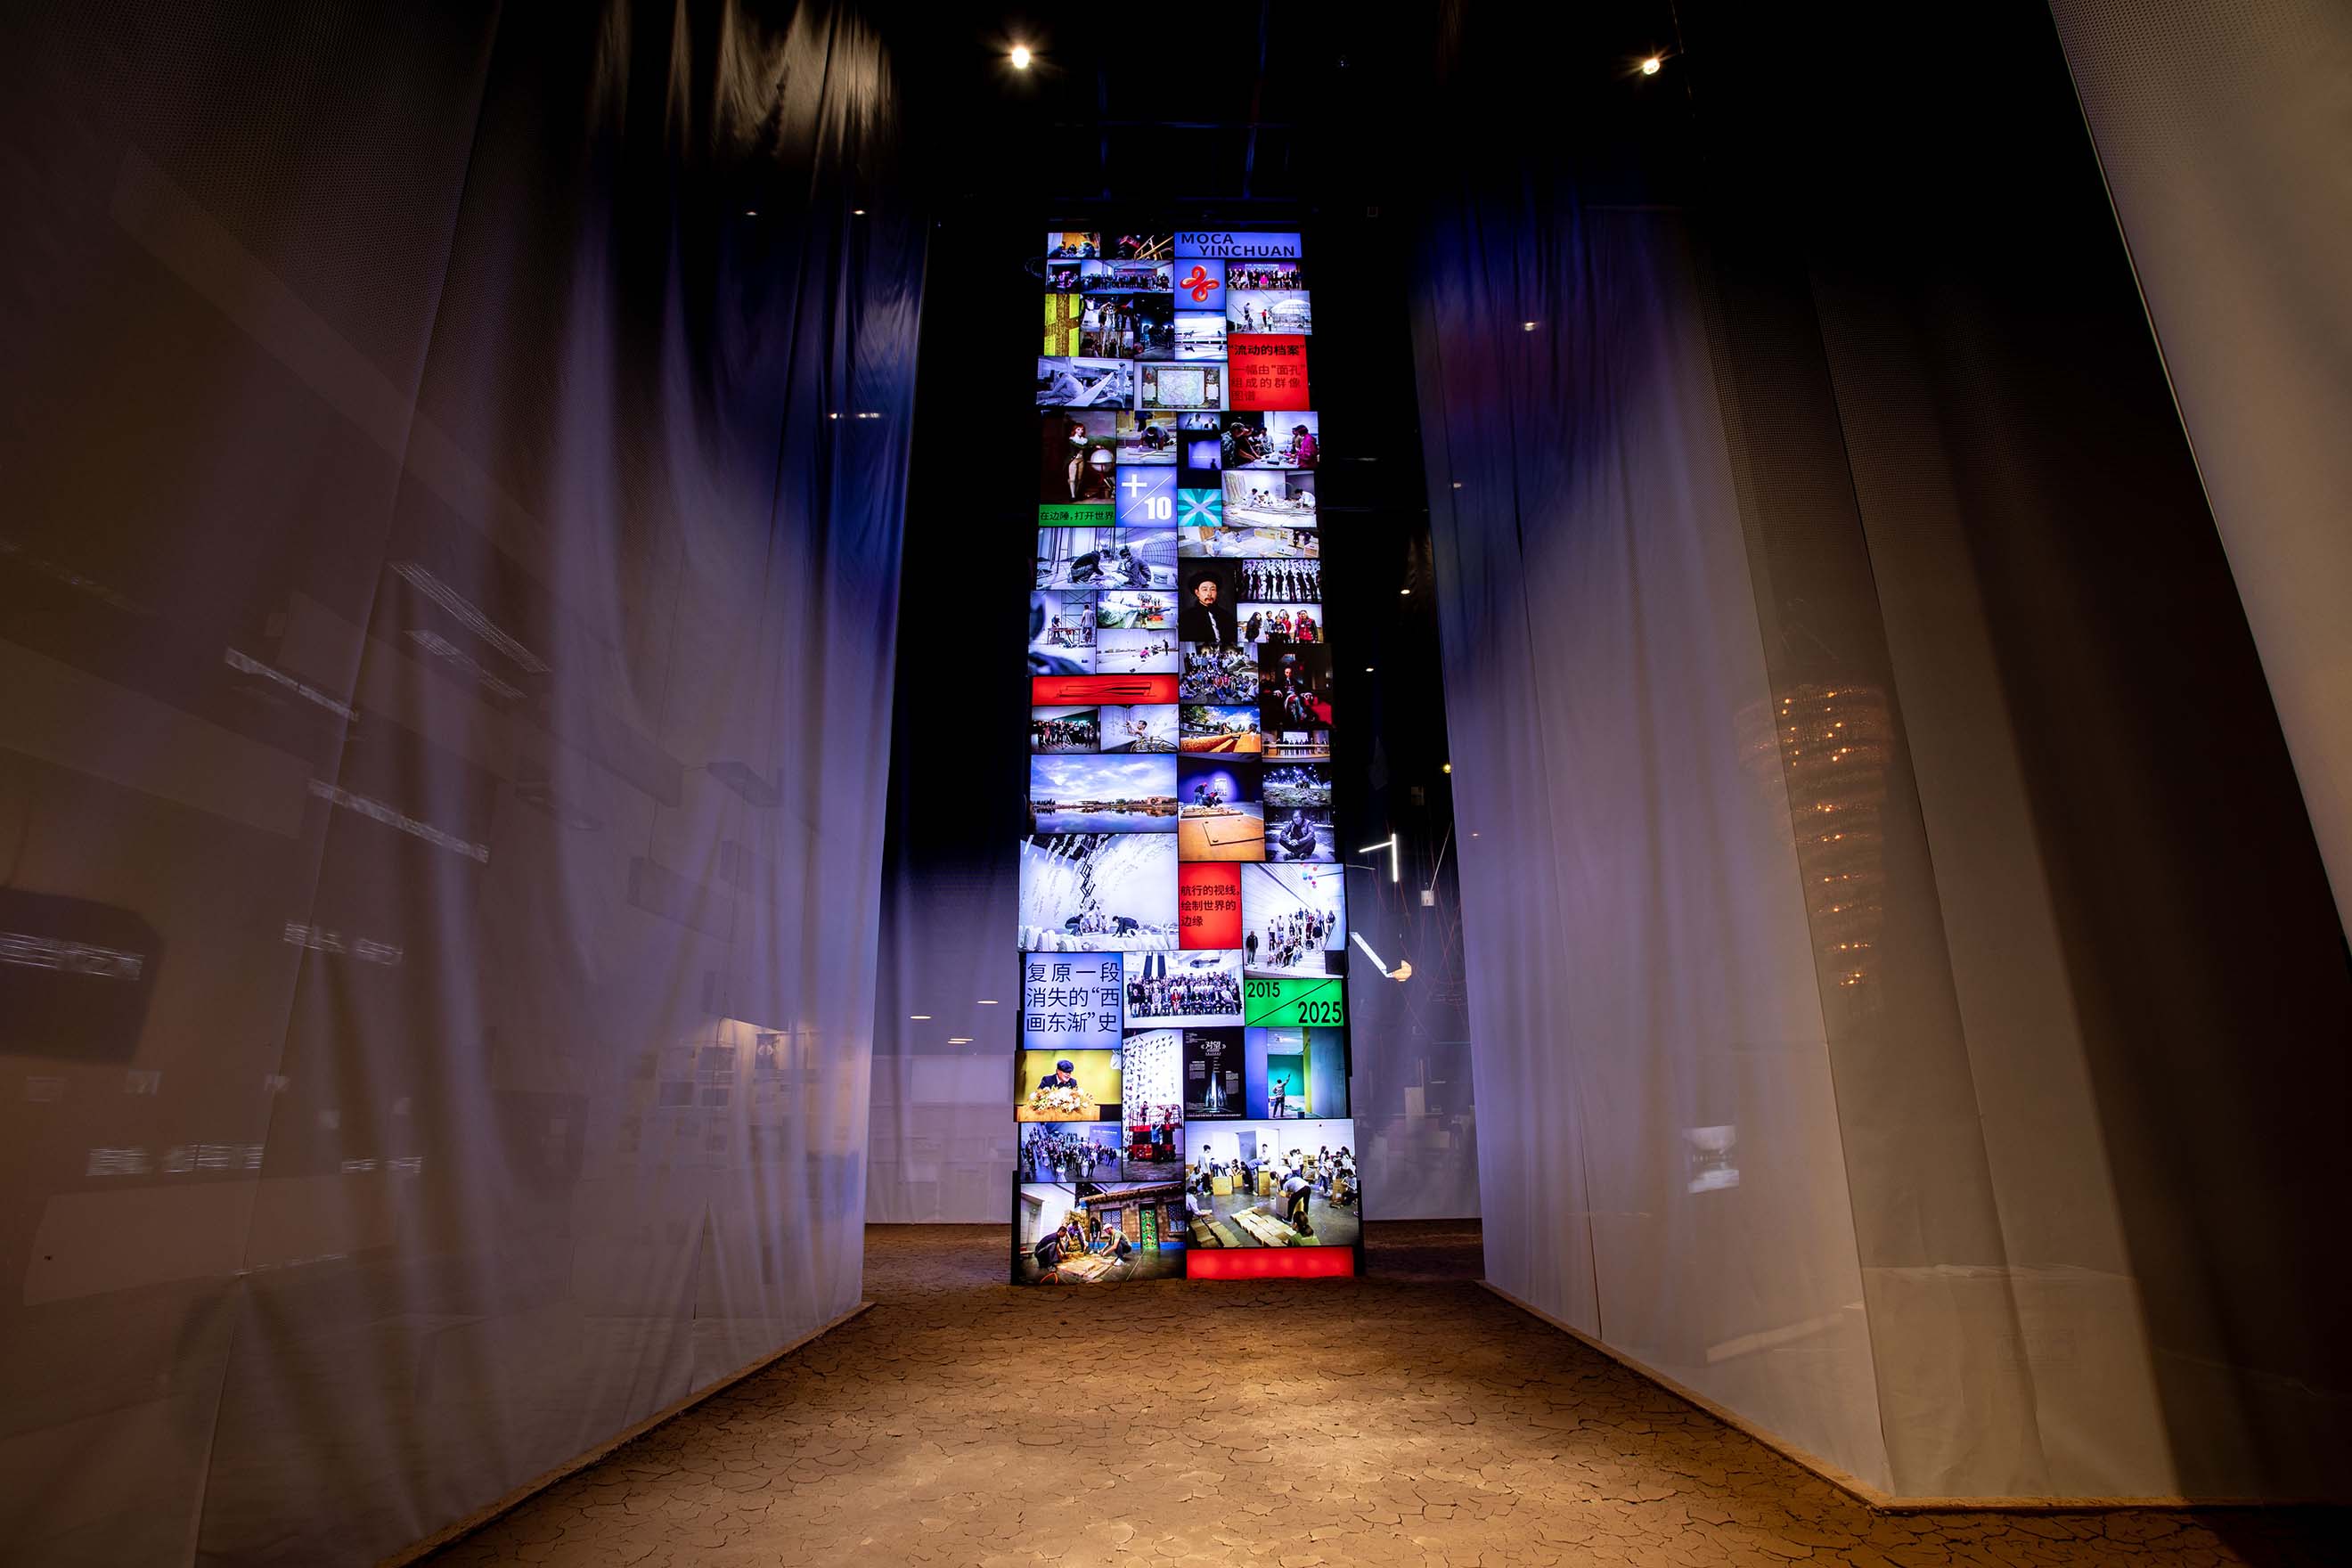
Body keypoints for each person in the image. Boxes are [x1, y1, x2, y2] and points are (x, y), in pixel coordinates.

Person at [1179, 570, 1237, 645]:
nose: (1209, 594)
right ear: (1197, 593)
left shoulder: (1227, 616)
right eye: (1205, 590)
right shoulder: (1186, 617)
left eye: (1213, 589)